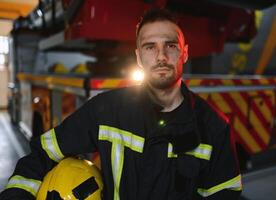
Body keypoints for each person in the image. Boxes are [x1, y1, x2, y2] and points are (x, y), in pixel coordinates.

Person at [0, 8, 242, 200]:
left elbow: (225, 195)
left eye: (171, 45)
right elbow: (42, 154)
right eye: (150, 47)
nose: (161, 56)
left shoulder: (214, 128)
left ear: (185, 53)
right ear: (138, 57)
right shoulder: (105, 111)